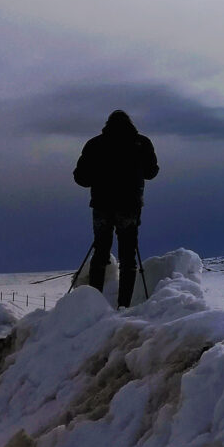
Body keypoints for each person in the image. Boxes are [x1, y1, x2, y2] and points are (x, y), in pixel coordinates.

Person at [73, 110, 159, 307]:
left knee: (100, 252)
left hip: (102, 205)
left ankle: (93, 304)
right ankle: (124, 305)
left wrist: (100, 176)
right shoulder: (141, 143)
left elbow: (80, 178)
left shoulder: (95, 144)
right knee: (128, 256)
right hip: (130, 206)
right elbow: (151, 172)